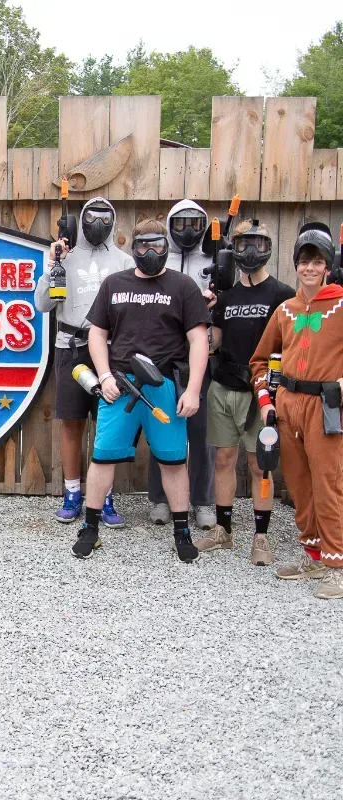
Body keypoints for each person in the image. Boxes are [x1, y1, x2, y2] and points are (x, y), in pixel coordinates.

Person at [71, 219, 210, 563]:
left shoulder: (183, 286)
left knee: (173, 461)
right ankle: (90, 528)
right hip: (120, 385)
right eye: (144, 245)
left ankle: (182, 531)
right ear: (133, 247)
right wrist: (103, 377)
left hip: (164, 386)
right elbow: (97, 334)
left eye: (158, 246)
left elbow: (198, 341)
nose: (151, 252)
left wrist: (192, 390)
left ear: (167, 246)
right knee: (103, 457)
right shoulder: (114, 284)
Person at [250, 223, 343, 599]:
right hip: (288, 407)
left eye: (317, 262)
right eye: (304, 261)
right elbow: (259, 362)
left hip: (325, 407)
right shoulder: (284, 310)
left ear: (327, 267)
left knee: (328, 484)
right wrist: (266, 402)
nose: (309, 268)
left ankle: (336, 564)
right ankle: (313, 555)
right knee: (300, 486)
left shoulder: (340, 306)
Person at [197, 220, 294, 564]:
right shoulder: (226, 297)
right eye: (243, 244)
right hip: (224, 387)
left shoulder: (283, 295)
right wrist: (203, 315)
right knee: (223, 459)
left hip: (261, 393)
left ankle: (261, 536)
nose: (250, 251)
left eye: (257, 243)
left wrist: (277, 390)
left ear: (268, 247)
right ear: (232, 251)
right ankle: (223, 530)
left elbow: (290, 346)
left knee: (259, 466)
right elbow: (214, 343)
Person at [34, 197, 133, 527]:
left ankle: (104, 496)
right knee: (72, 423)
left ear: (114, 220)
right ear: (81, 219)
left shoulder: (124, 261)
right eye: (92, 216)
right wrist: (53, 266)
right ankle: (72, 492)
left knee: (108, 427)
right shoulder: (65, 258)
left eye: (105, 217)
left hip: (111, 352)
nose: (98, 223)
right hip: (71, 347)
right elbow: (43, 304)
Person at [148, 199, 215, 530]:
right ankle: (160, 498)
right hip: (163, 358)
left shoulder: (214, 259)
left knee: (201, 433)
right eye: (180, 224)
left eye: (194, 224)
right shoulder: (161, 261)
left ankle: (202, 501)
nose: (187, 231)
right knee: (161, 426)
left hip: (199, 359)